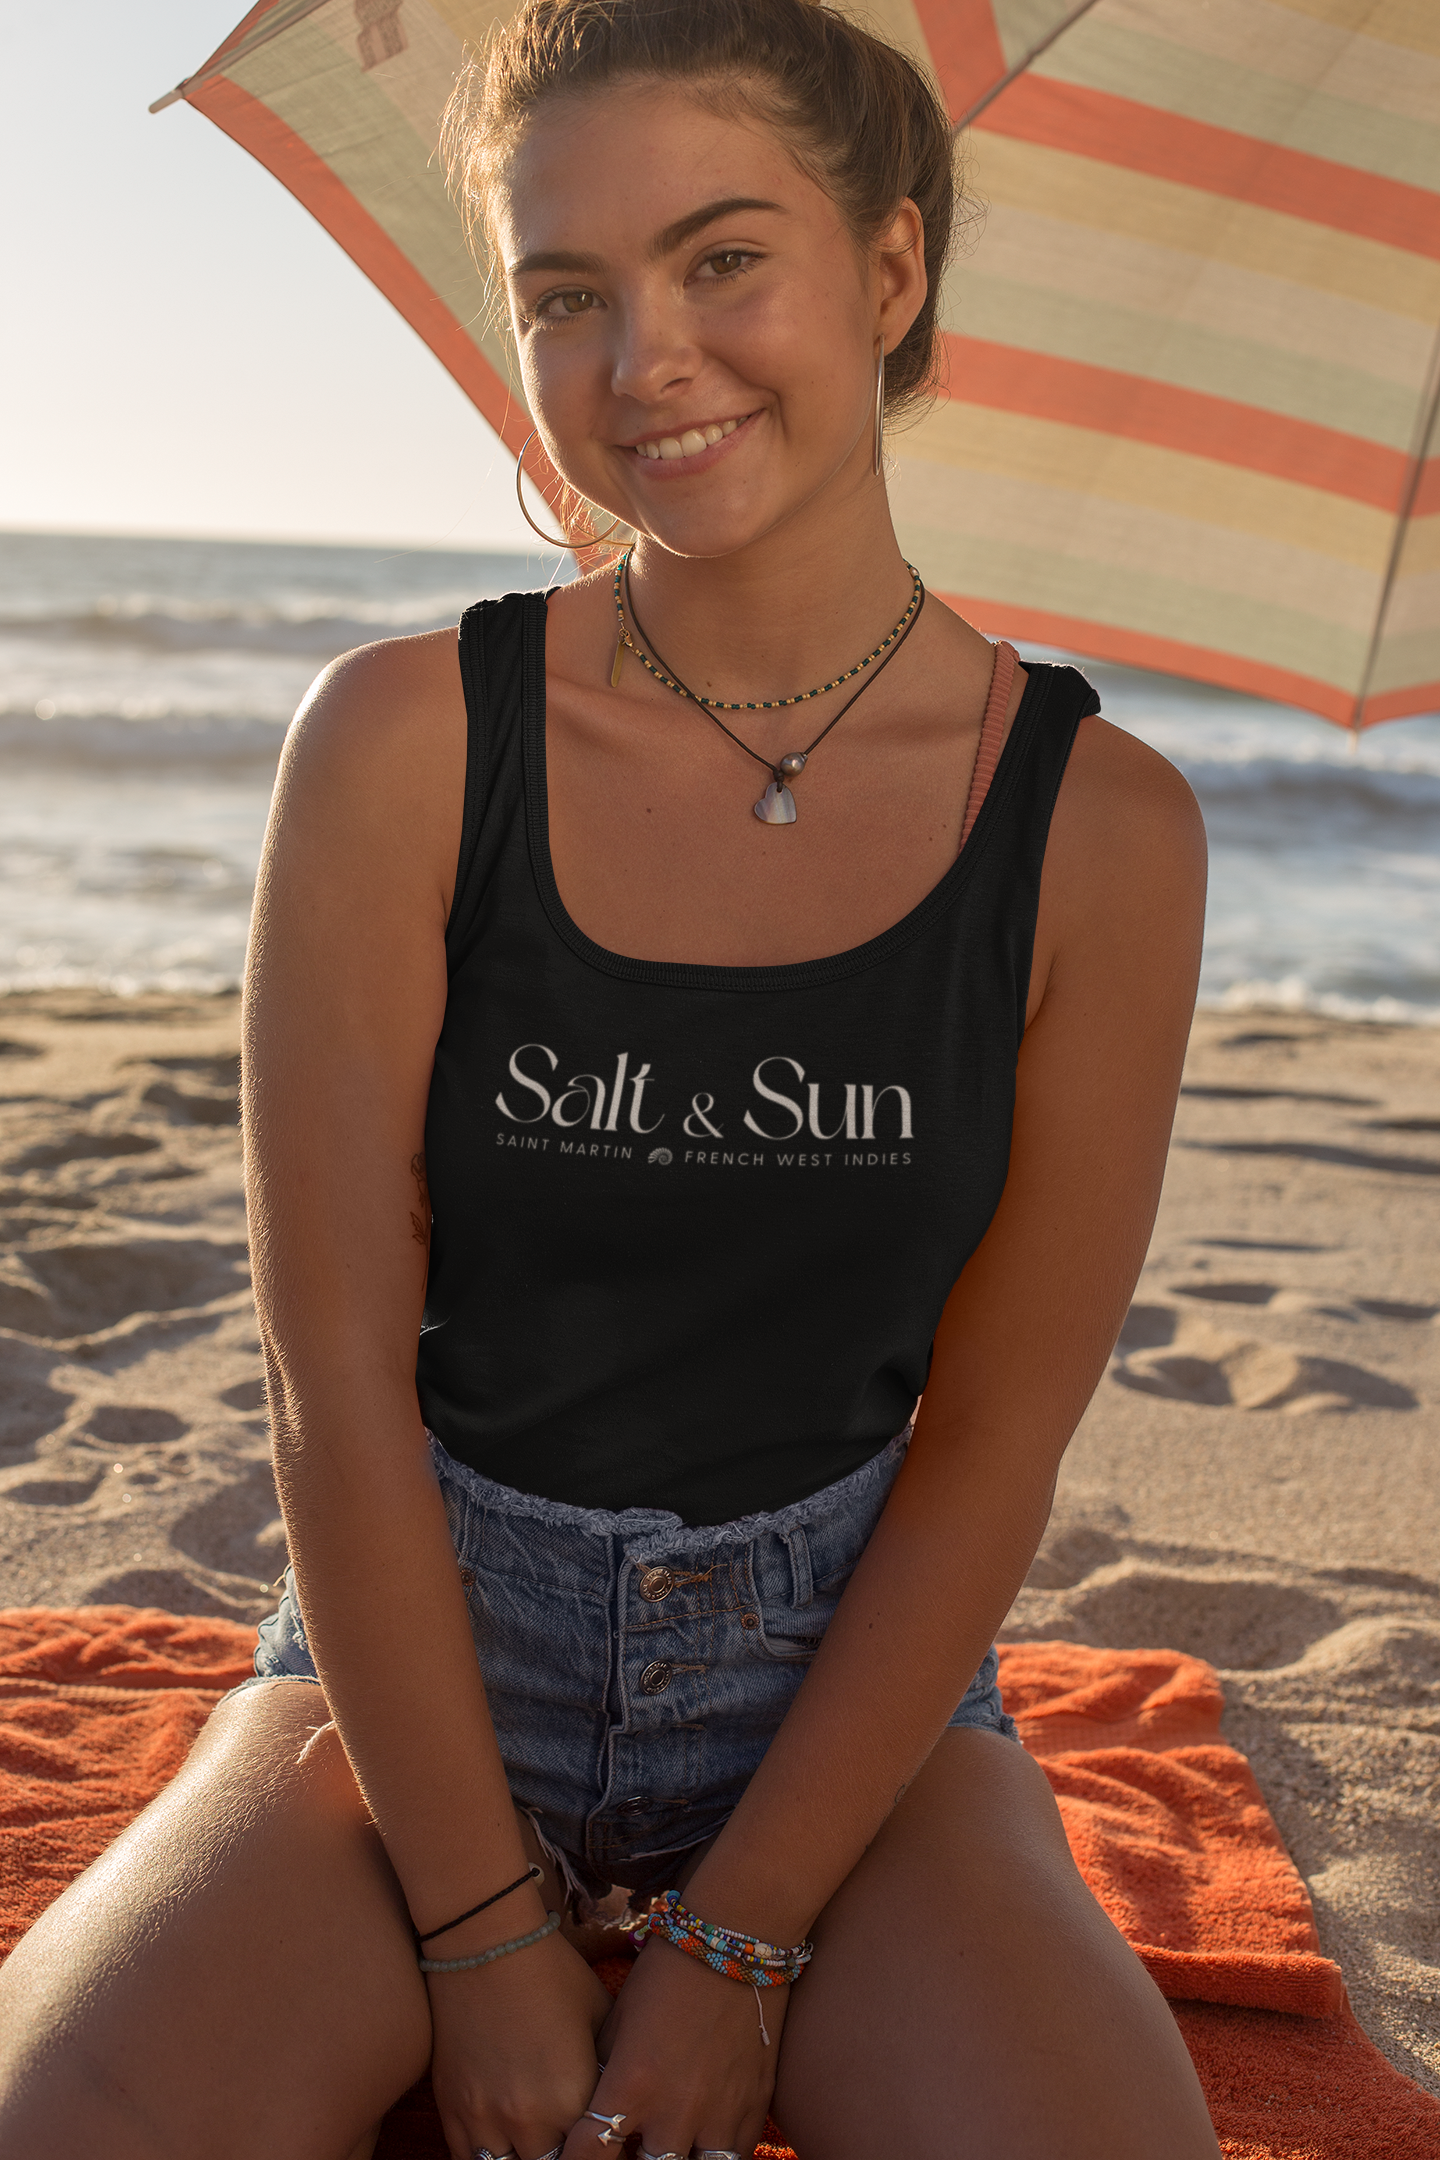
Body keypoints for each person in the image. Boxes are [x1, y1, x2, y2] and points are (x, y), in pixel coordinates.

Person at [0, 2, 1218, 2154]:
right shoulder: (404, 745)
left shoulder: (1102, 831)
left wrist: (740, 1944)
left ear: (896, 271)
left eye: (723, 258)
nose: (643, 354)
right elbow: (328, 1378)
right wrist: (480, 1939)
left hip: (841, 1687)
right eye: (570, 292)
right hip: (412, 1659)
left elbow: (991, 1443)